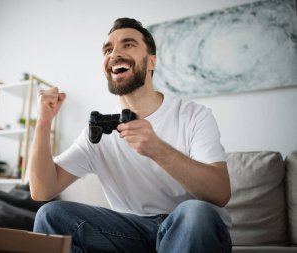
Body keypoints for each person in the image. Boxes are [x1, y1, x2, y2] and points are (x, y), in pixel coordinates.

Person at [29, 17, 232, 253]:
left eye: (128, 44)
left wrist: (157, 149)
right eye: (108, 49)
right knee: (52, 215)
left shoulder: (193, 115)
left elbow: (220, 193)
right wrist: (43, 123)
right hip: (130, 234)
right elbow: (42, 190)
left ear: (151, 62)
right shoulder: (98, 131)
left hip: (190, 229)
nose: (114, 54)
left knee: (196, 212)